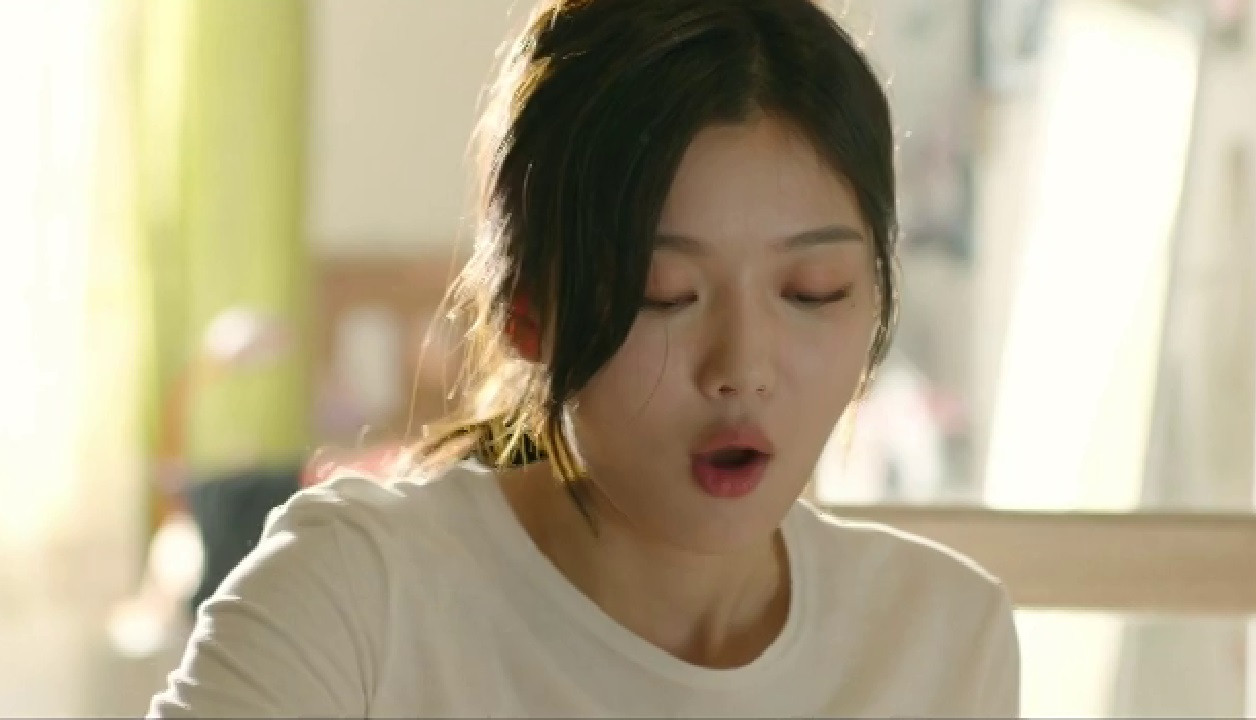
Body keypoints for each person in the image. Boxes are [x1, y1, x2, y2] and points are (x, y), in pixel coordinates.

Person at [148, 0, 1020, 716]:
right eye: (664, 294)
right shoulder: (357, 598)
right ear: (528, 313)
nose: (743, 367)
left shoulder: (940, 635)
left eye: (813, 291)